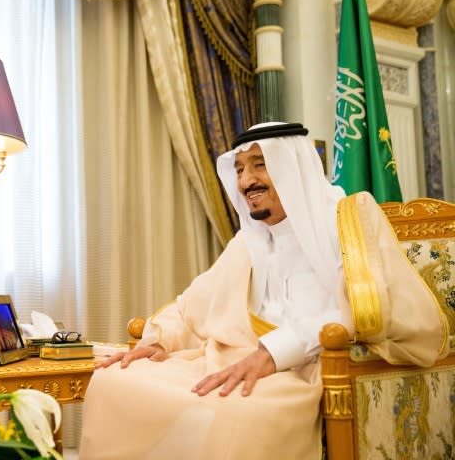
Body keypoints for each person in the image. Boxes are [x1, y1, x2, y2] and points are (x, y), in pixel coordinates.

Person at [79, 122, 448, 459]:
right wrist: (159, 341)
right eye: (239, 170)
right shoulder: (250, 239)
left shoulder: (346, 221)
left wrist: (274, 352)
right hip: (237, 355)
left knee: (227, 409)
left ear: (292, 168)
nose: (245, 181)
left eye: (259, 165)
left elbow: (363, 308)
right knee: (115, 381)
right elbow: (195, 302)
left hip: (306, 369)